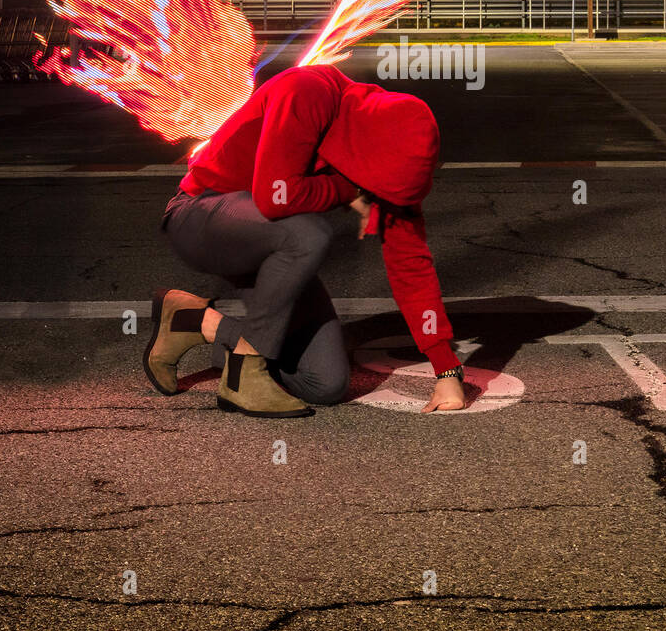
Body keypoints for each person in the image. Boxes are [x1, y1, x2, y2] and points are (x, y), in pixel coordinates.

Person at [146, 63, 466, 417]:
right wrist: (347, 190)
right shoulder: (307, 90)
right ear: (367, 153)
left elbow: (412, 268)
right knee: (309, 235)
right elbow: (275, 195)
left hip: (271, 251)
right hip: (199, 215)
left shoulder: (389, 162)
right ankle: (243, 374)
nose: (376, 196)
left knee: (325, 383)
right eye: (377, 187)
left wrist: (446, 369)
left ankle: (191, 321)